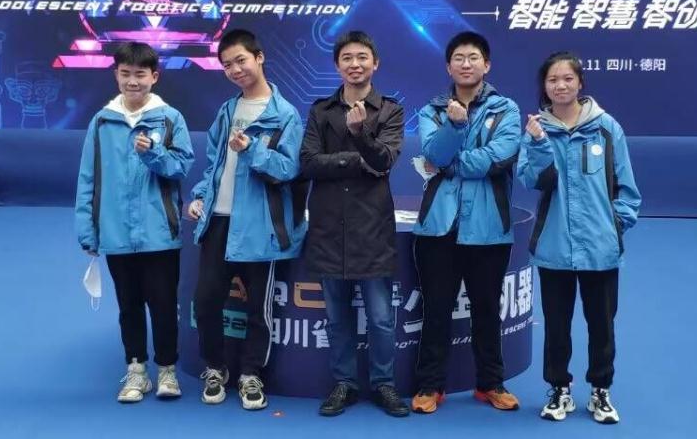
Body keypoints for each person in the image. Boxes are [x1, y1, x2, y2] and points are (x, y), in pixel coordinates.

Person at [518, 51, 641, 424]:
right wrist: (539, 143)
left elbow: (626, 186)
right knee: (556, 326)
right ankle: (559, 389)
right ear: (544, 86)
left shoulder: (607, 128)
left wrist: (615, 225)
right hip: (554, 246)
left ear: (580, 83)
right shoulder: (537, 130)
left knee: (602, 324)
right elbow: (532, 180)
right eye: (553, 80)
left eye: (567, 78)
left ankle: (601, 390)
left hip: (600, 249)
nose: (560, 86)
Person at [188, 29, 305, 410]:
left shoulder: (285, 115)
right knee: (206, 302)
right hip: (218, 221)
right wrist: (201, 197)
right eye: (227, 66)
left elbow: (288, 169)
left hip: (260, 225)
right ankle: (215, 367)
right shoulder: (226, 110)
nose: (236, 70)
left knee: (259, 309)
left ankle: (252, 374)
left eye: (241, 60)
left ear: (259, 57)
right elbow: (214, 164)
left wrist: (252, 149)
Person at [75, 41, 194, 403]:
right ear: (116, 75)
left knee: (163, 305)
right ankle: (137, 370)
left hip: (160, 234)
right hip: (115, 233)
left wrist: (153, 153)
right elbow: (88, 178)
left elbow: (182, 166)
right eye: (125, 74)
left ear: (154, 76)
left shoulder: (170, 118)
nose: (132, 81)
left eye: (140, 74)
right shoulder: (101, 122)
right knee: (128, 306)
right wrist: (87, 230)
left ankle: (168, 370)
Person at [299, 30, 409, 417]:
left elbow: (383, 161)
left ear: (375, 63)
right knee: (336, 318)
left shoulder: (390, 111)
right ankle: (344, 383)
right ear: (337, 65)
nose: (355, 64)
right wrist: (353, 160)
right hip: (329, 228)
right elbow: (308, 163)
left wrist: (360, 136)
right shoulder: (320, 110)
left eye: (362, 57)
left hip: (371, 229)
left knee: (380, 318)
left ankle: (384, 384)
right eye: (347, 58)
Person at [411, 31, 522, 414]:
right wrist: (455, 127)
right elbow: (433, 153)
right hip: (438, 228)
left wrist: (450, 163)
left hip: (489, 229)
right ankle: (430, 386)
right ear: (448, 67)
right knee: (436, 309)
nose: (466, 63)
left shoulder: (506, 110)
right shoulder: (432, 110)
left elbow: (498, 157)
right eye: (458, 58)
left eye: (473, 57)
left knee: (487, 309)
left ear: (486, 65)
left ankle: (490, 384)